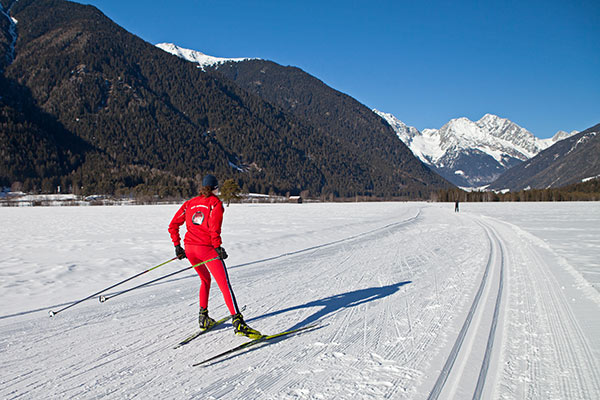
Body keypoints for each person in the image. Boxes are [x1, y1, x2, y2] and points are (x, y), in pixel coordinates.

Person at [168, 174, 261, 338]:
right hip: (207, 249)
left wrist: (177, 246)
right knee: (224, 284)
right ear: (214, 188)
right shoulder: (215, 203)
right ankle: (238, 323)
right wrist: (218, 247)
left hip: (190, 249)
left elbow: (173, 225)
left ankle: (203, 317)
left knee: (205, 280)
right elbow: (214, 228)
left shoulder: (189, 204)